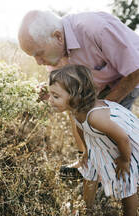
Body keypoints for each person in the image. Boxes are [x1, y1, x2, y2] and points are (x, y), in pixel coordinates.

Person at [18, 9, 139, 177]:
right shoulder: (55, 53)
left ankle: (120, 172)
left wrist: (102, 107)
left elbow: (135, 70)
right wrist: (51, 93)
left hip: (126, 78)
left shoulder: (96, 29)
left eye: (39, 54)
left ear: (58, 36)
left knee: (105, 126)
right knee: (78, 112)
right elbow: (68, 91)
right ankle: (87, 161)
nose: (38, 63)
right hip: (98, 83)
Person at [49, 64, 139, 215]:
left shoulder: (95, 117)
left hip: (123, 148)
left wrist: (124, 160)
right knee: (89, 171)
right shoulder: (76, 110)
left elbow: (123, 138)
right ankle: (87, 209)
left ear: (75, 96)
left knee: (125, 182)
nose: (50, 100)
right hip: (98, 143)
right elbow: (80, 128)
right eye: (51, 94)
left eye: (56, 96)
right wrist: (85, 151)